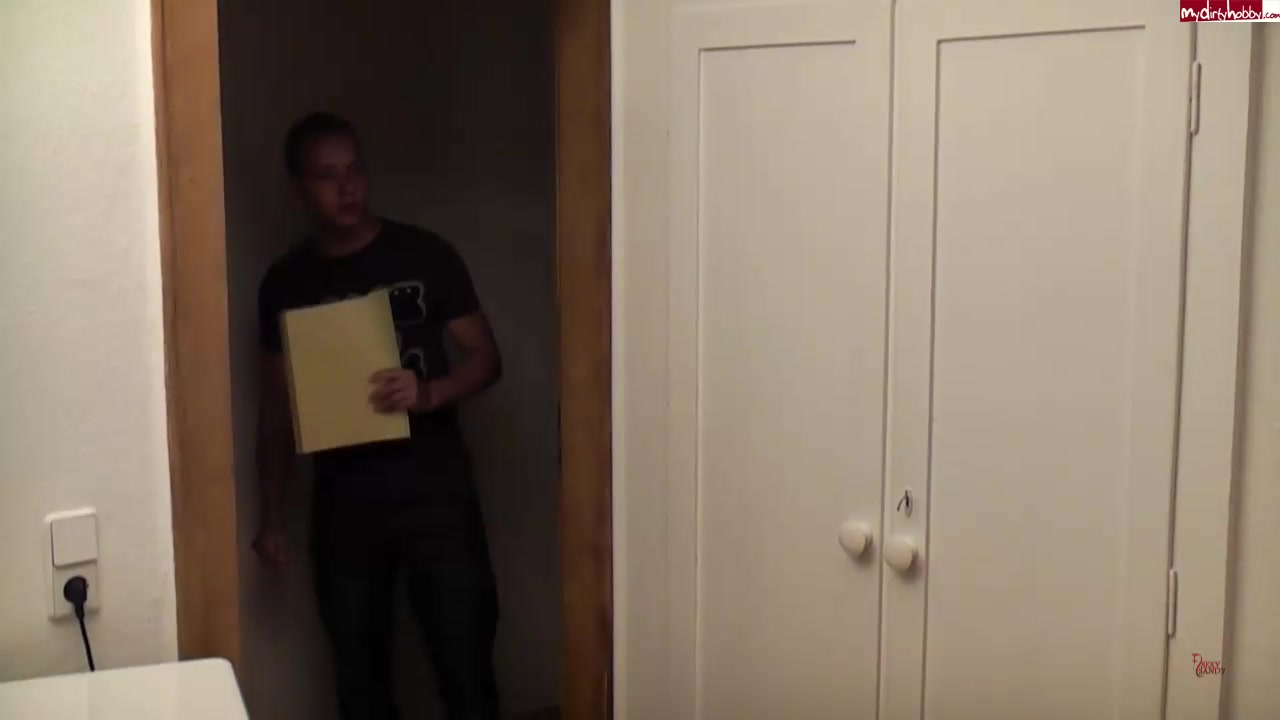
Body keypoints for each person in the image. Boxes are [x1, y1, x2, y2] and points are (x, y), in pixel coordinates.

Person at [252, 112, 502, 720]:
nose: (348, 188)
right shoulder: (286, 282)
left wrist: (430, 392)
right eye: (327, 176)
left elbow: (486, 358)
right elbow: (276, 406)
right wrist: (272, 515)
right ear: (299, 190)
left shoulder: (425, 253)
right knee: (360, 681)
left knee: (466, 668)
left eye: (356, 170)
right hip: (345, 506)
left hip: (437, 495)